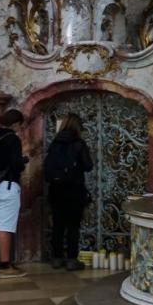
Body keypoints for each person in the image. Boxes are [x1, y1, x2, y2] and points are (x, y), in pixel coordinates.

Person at [0, 108, 29, 278]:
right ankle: (5, 266)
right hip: (7, 186)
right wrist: (23, 162)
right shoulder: (12, 139)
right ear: (15, 123)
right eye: (20, 125)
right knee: (5, 227)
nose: (20, 128)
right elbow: (15, 165)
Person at [44, 113, 94, 270]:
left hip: (56, 190)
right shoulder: (79, 143)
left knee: (58, 224)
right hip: (74, 190)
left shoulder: (55, 143)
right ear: (78, 126)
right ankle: (72, 259)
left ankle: (57, 258)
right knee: (73, 225)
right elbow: (88, 166)